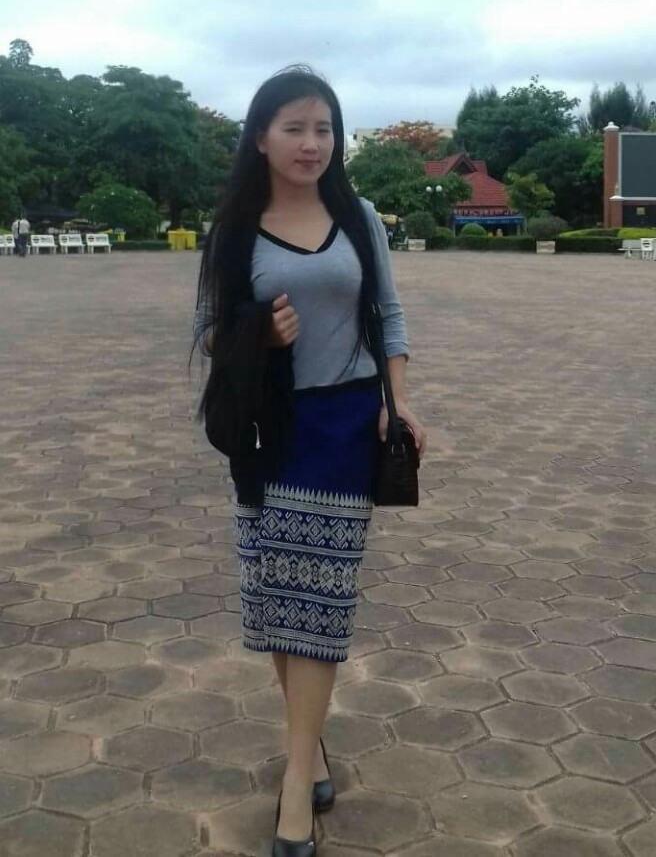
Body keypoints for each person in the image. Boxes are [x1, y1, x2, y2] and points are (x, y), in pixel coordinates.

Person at [192, 65, 426, 857]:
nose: (311, 143)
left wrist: (397, 402)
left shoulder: (358, 217)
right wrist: (258, 333)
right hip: (267, 429)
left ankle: (295, 783)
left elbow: (388, 314)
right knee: (278, 598)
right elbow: (209, 333)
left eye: (323, 128)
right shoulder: (234, 229)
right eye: (293, 127)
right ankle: (310, 748)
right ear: (260, 137)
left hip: (343, 425)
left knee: (319, 600)